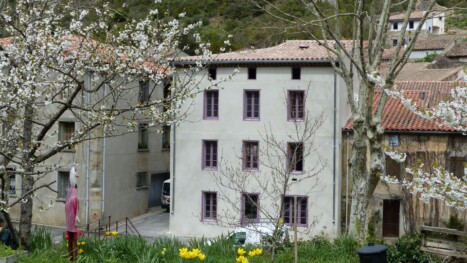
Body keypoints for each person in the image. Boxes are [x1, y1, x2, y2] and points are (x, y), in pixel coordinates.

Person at [65, 167, 80, 261]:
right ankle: (74, 258)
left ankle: (71, 257)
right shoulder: (74, 197)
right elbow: (76, 210)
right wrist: (76, 218)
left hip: (69, 221)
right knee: (73, 240)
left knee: (71, 240)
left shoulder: (70, 195)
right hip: (72, 222)